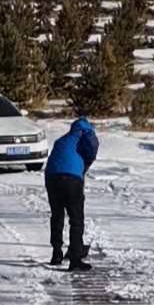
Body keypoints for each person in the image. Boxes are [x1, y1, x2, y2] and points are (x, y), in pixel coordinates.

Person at [44, 116, 99, 271]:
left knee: (57, 215)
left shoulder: (62, 140)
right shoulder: (87, 135)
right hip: (71, 179)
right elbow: (92, 153)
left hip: (51, 177)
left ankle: (56, 253)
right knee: (76, 219)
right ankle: (75, 258)